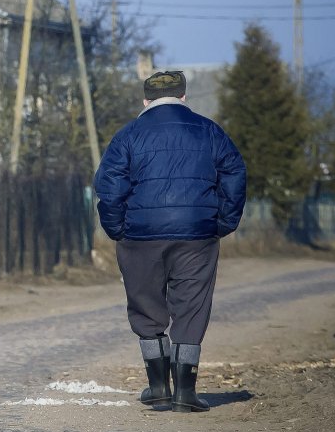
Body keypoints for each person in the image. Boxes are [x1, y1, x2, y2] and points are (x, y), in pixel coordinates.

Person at [94, 70, 247, 412]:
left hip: (140, 233)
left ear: (145, 101)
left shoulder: (128, 135)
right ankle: (186, 393)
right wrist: (222, 221)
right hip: (197, 233)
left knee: (146, 305)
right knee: (191, 306)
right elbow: (235, 173)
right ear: (183, 98)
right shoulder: (210, 131)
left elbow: (109, 186)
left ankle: (158, 386)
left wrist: (117, 228)